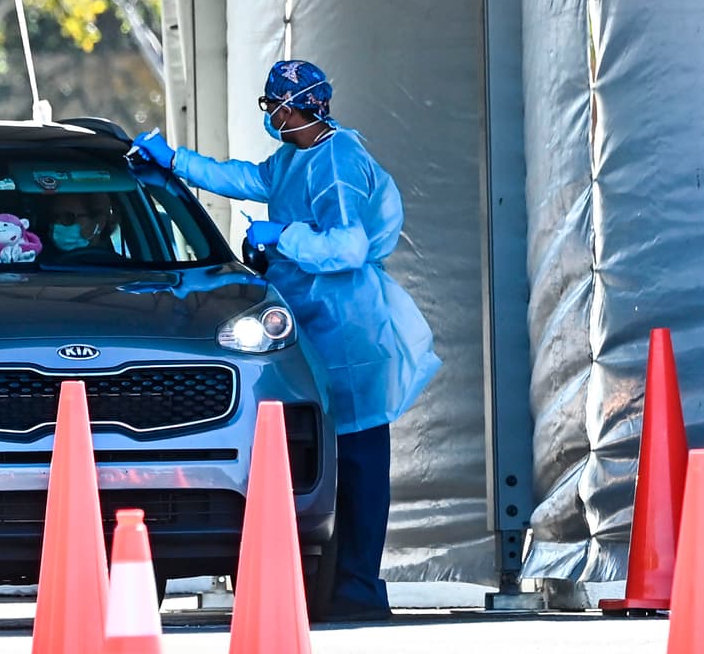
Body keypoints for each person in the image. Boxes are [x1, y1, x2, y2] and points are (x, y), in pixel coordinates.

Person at [131, 59, 442, 622]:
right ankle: (336, 585)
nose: (269, 115)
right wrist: (177, 162)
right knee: (328, 461)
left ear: (290, 106)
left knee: (362, 464)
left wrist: (284, 235)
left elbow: (347, 247)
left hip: (350, 330)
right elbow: (247, 178)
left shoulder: (337, 160)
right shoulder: (295, 156)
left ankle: (361, 589)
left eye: (271, 105)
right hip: (314, 325)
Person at [47, 191, 117, 253]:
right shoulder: (41, 263)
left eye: (68, 217)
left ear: (98, 222)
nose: (56, 223)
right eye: (54, 217)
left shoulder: (119, 266)